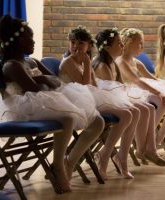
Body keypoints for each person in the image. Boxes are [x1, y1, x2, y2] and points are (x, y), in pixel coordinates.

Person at [0, 14, 105, 192]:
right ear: (18, 41)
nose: (34, 42)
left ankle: (70, 162)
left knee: (98, 121)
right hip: (23, 107)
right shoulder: (11, 66)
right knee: (67, 118)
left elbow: (56, 80)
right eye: (30, 38)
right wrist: (44, 79)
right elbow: (33, 90)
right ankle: (58, 166)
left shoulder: (32, 61)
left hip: (44, 100)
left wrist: (44, 78)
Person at [59, 25, 139, 179]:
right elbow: (84, 86)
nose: (75, 46)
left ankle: (120, 157)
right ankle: (104, 156)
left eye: (80, 43)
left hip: (90, 96)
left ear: (89, 46)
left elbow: (94, 86)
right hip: (76, 100)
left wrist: (108, 95)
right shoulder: (68, 62)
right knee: (127, 115)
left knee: (133, 112)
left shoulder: (83, 61)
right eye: (73, 42)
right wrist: (88, 63)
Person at [93, 28, 165, 167]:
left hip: (114, 97)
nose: (122, 46)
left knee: (149, 108)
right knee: (137, 110)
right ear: (107, 48)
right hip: (104, 101)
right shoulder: (103, 65)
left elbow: (119, 86)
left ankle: (140, 151)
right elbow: (112, 91)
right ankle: (123, 155)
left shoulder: (113, 63)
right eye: (120, 44)